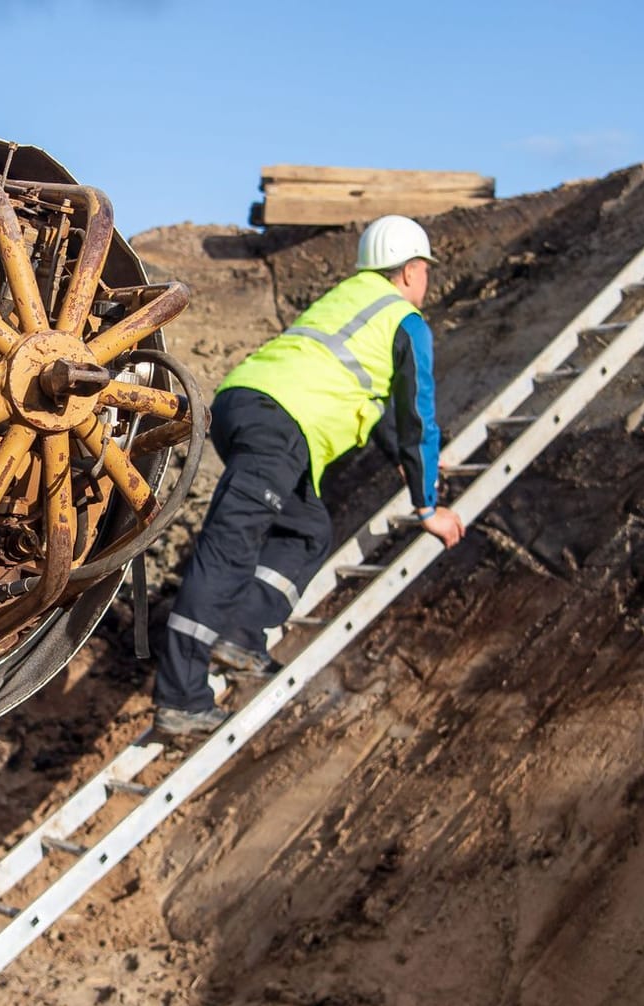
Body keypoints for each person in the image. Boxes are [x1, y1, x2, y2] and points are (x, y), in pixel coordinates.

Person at [152, 215, 467, 736]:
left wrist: (416, 463)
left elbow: (380, 411)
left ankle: (241, 633)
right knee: (230, 548)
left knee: (307, 530)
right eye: (425, 271)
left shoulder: (348, 298)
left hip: (243, 408)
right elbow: (416, 416)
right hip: (281, 426)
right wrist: (428, 506)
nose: (426, 282)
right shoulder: (405, 321)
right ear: (411, 270)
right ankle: (181, 699)